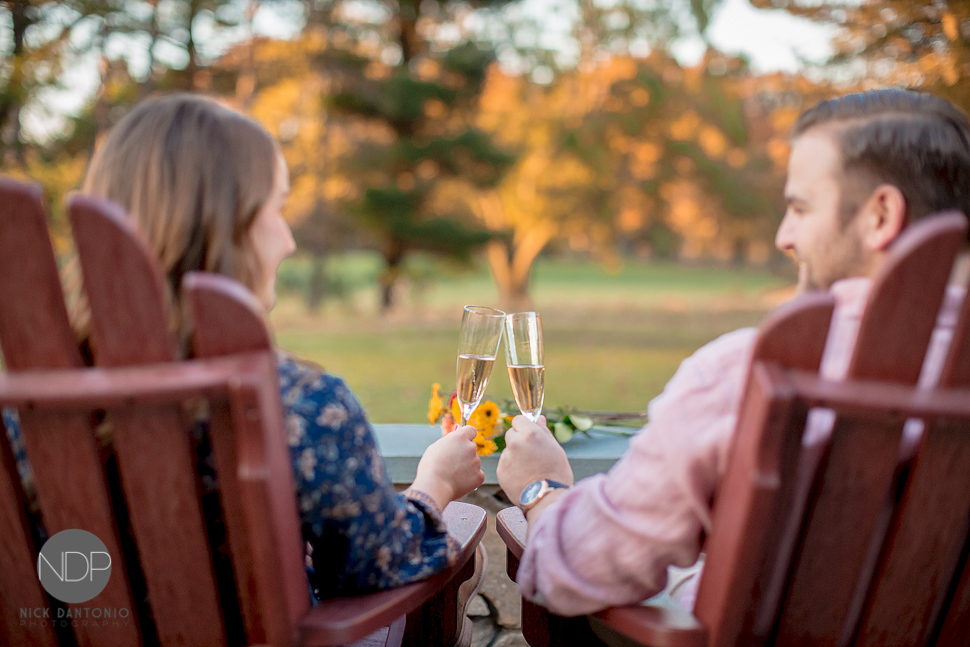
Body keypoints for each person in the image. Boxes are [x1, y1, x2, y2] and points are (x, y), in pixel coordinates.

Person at [495, 88, 970, 615]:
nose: (782, 236)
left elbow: (581, 570)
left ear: (880, 215)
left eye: (799, 207)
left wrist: (543, 489)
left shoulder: (754, 372)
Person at [1, 93, 486, 598]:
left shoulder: (29, 404)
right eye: (276, 208)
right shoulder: (299, 406)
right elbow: (378, 565)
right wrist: (436, 484)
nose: (289, 240)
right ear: (227, 230)